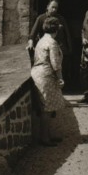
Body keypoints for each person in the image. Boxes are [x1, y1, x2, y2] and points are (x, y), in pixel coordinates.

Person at [28, 16, 67, 146]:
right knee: (47, 109)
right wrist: (60, 78)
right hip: (46, 76)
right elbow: (55, 64)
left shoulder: (41, 40)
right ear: (56, 29)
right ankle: (45, 138)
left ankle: (47, 135)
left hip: (37, 74)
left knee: (45, 107)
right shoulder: (52, 42)